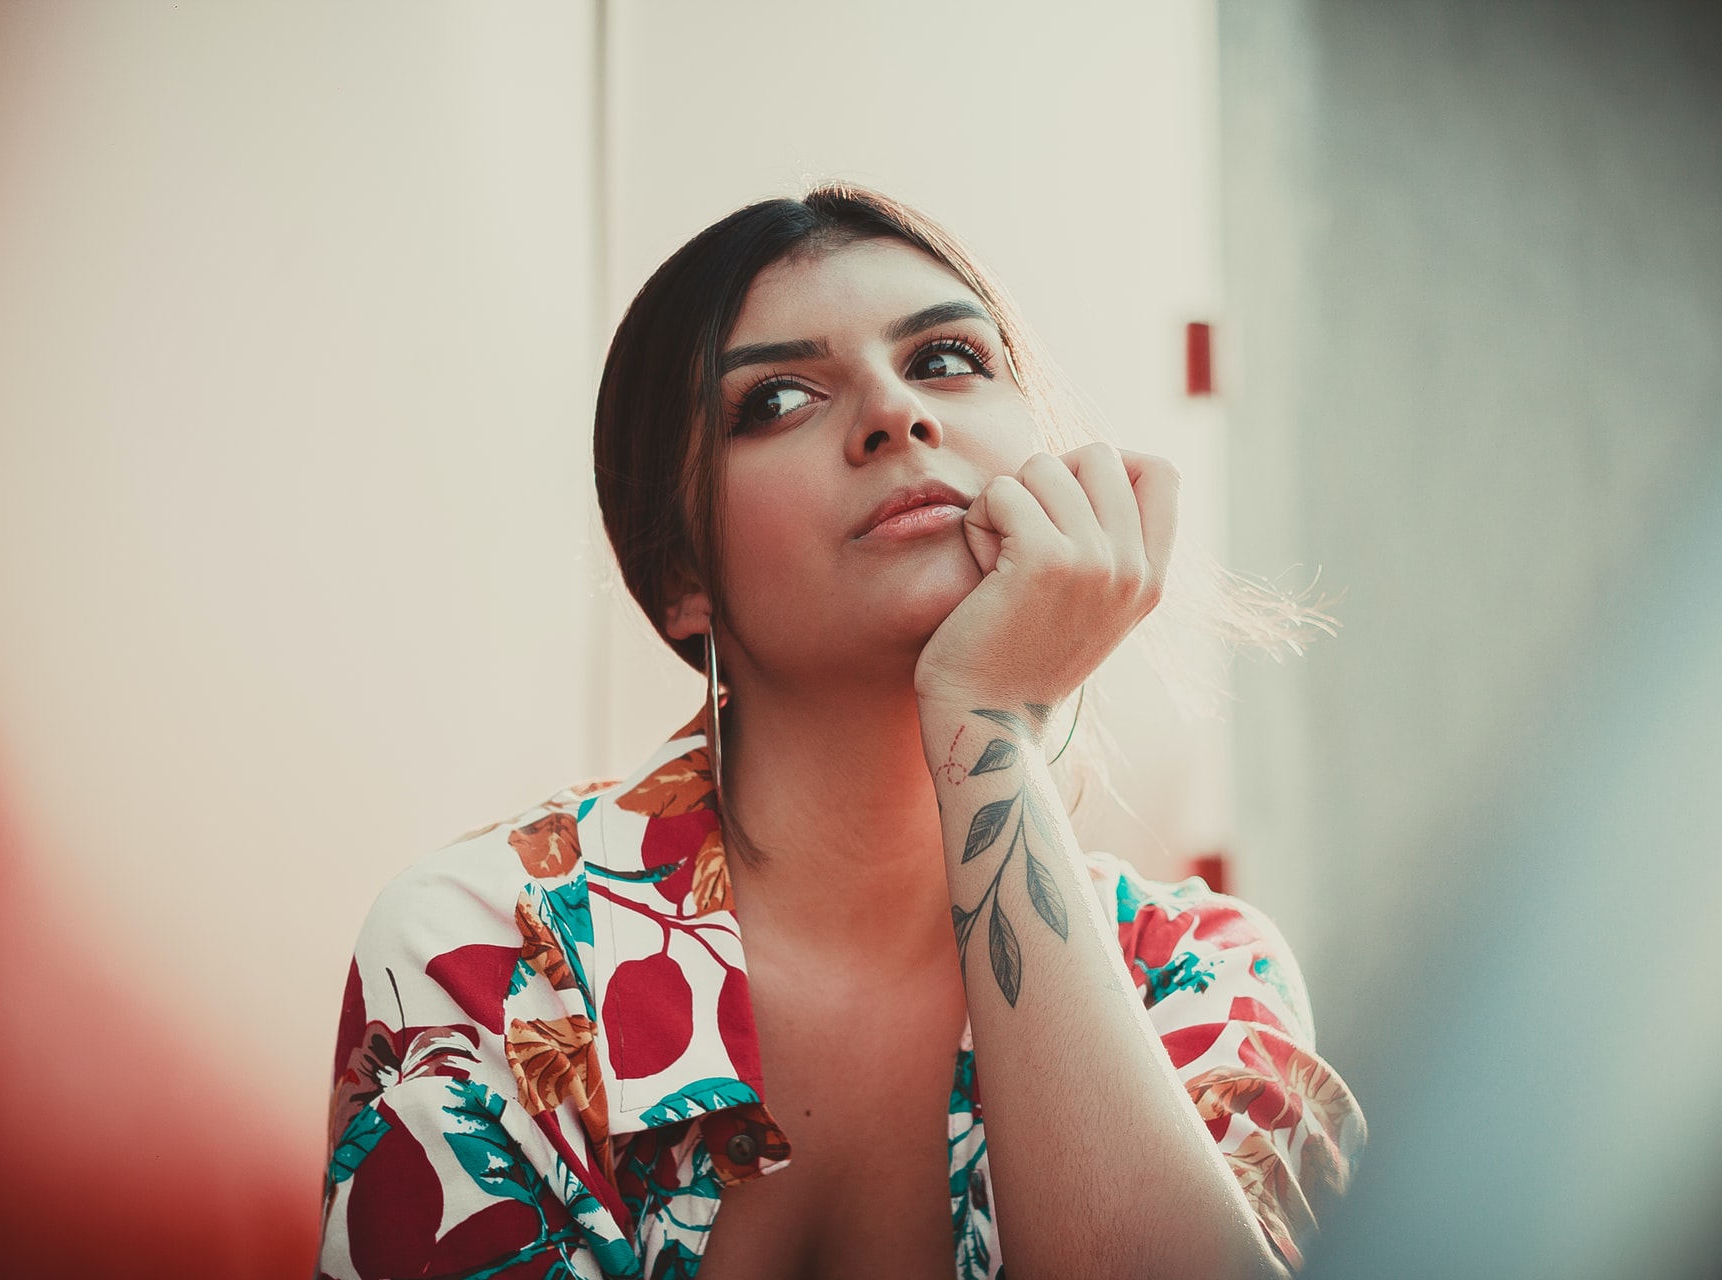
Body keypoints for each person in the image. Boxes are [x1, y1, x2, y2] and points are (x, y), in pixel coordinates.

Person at [316, 185, 1365, 1280]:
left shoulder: (1193, 977)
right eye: (774, 397)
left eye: (949, 359)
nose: (895, 413)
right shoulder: (487, 957)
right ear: (681, 574)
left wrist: (989, 725)